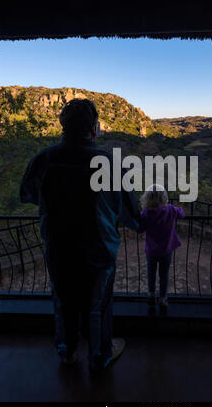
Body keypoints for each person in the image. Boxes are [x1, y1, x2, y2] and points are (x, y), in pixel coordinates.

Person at [20, 98, 139, 372]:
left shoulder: (45, 158)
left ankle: (67, 351)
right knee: (98, 305)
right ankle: (100, 356)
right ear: (94, 128)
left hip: (59, 245)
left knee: (64, 300)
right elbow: (130, 211)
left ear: (63, 126)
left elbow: (28, 193)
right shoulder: (108, 163)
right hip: (99, 247)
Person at [138, 184, 185, 311]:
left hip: (151, 251)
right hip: (166, 250)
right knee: (164, 274)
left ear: (147, 198)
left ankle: (151, 294)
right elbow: (182, 214)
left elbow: (140, 229)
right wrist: (177, 208)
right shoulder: (170, 210)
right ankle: (163, 298)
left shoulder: (145, 213)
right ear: (164, 197)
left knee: (151, 272)